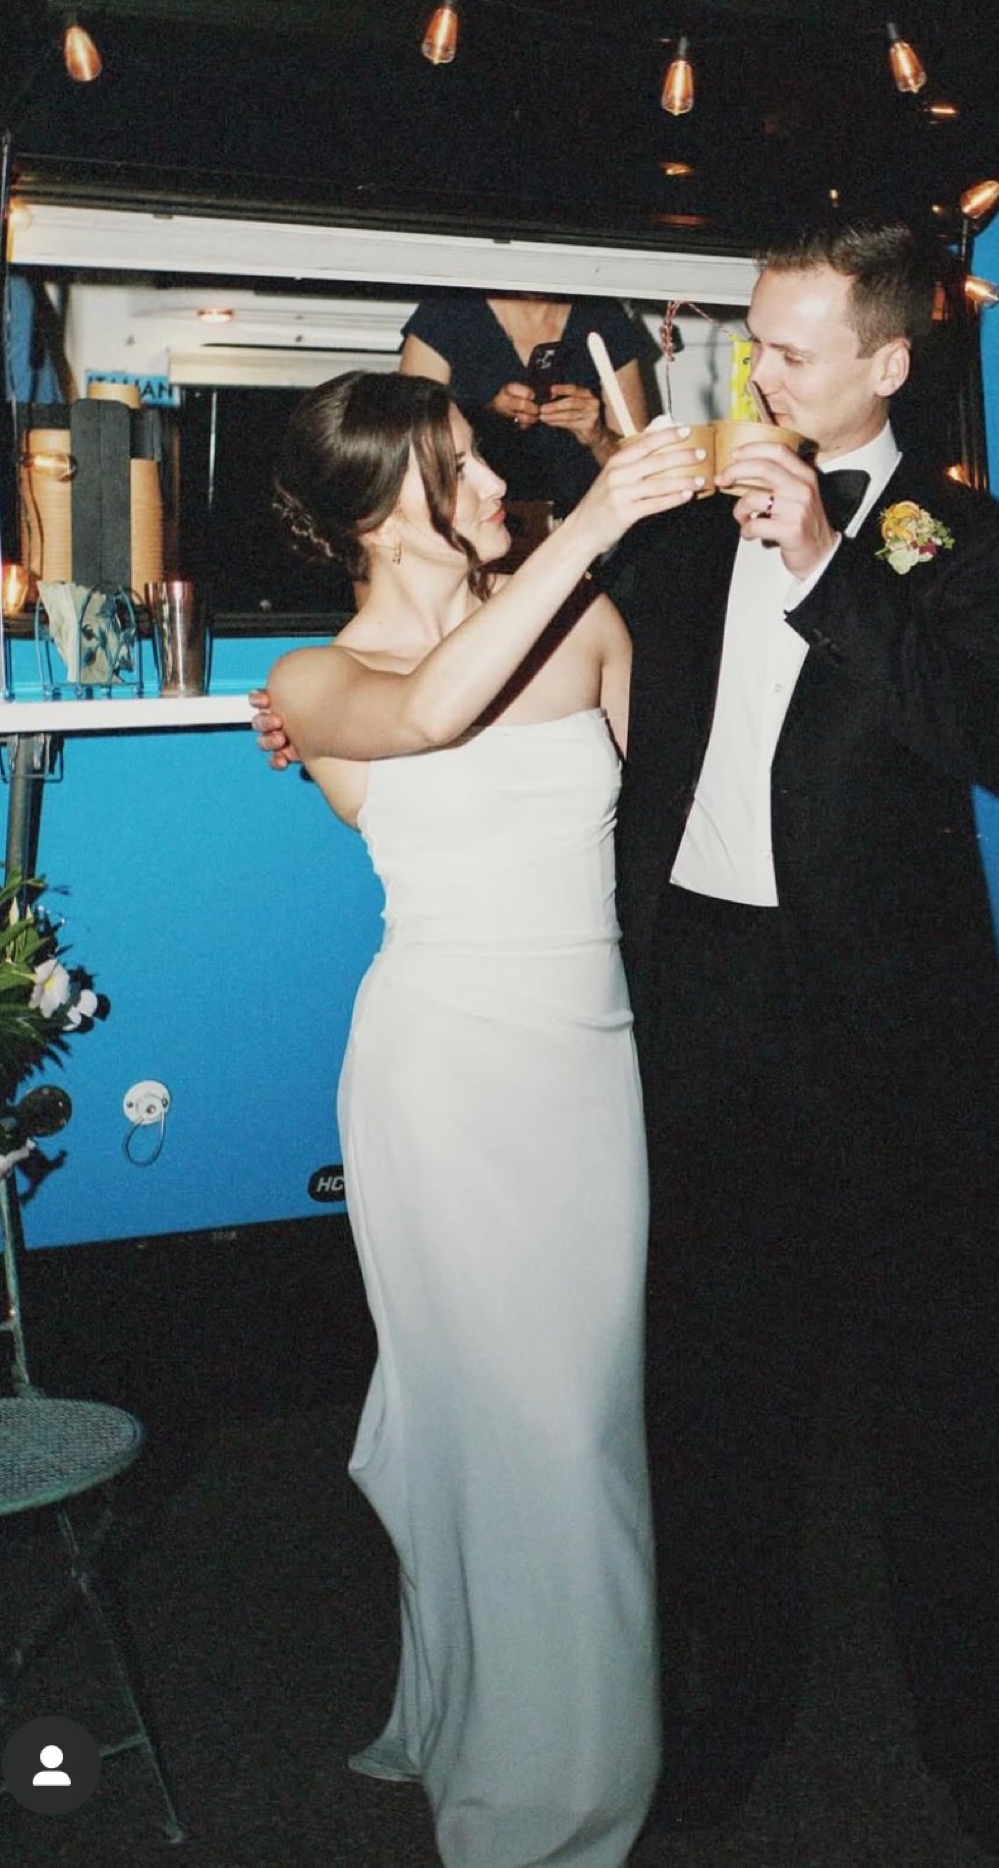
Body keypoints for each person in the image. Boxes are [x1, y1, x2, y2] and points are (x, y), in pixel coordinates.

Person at [601, 220, 999, 1864]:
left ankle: (967, 1739)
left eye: (789, 350)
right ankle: (738, 1703)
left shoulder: (974, 542)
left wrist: (822, 566)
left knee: (940, 1414)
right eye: (748, 339)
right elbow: (557, 676)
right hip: (705, 1006)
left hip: (893, 1041)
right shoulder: (676, 532)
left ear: (887, 361)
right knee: (718, 1403)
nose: (755, 375)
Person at [260, 370, 695, 1868]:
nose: (496, 477)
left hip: (588, 1066)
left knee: (577, 1425)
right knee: (529, 1436)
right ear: (378, 509)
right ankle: (543, 1812)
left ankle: (493, 1721)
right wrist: (595, 526)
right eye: (457, 464)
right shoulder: (309, 683)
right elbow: (433, 713)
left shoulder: (583, 625)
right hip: (441, 1073)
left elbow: (669, 835)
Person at [399, 291, 650, 519]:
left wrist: (598, 436)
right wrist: (486, 418)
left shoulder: (602, 316)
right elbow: (408, 453)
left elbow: (644, 472)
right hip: (476, 523)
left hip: (584, 523)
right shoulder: (449, 310)